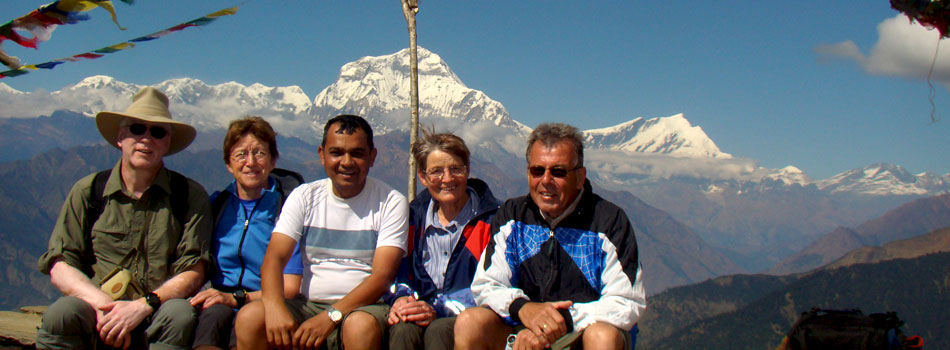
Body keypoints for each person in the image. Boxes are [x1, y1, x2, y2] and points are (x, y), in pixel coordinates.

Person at [36, 87, 212, 349]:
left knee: (180, 315)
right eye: (137, 129)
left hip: (156, 310)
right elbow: (60, 264)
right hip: (95, 309)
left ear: (167, 143)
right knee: (62, 314)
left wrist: (144, 305)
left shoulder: (188, 196)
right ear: (120, 137)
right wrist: (102, 305)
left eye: (158, 132)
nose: (146, 139)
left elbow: (193, 271)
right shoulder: (89, 191)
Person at [454, 123, 646, 350]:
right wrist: (523, 309)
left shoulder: (609, 221)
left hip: (581, 331)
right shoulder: (512, 216)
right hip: (521, 327)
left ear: (580, 176)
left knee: (603, 336)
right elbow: (486, 283)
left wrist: (561, 320)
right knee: (470, 323)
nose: (546, 180)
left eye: (558, 171)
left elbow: (627, 301)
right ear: (528, 173)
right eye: (538, 170)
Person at [234, 114, 409, 350]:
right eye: (337, 153)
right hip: (307, 304)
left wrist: (331, 316)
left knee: (359, 326)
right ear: (322, 155)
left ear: (372, 157)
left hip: (365, 307)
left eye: (357, 153)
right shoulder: (304, 197)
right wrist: (275, 308)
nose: (346, 162)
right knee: (250, 317)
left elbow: (381, 277)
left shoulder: (390, 202)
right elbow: (274, 259)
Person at [190, 116, 305, 350]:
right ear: (228, 163)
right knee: (209, 325)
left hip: (265, 301)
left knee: (246, 325)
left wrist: (238, 298)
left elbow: (291, 286)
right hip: (218, 299)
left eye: (260, 153)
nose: (250, 162)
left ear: (273, 161)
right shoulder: (217, 206)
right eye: (241, 154)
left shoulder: (287, 209)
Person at [387, 131, 500, 350]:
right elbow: (396, 271)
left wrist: (440, 308)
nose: (447, 179)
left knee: (440, 330)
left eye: (455, 169)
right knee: (402, 328)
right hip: (421, 309)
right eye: (436, 171)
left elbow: (497, 282)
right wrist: (401, 299)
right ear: (422, 177)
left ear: (467, 171)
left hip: (470, 315)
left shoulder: (493, 221)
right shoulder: (411, 220)